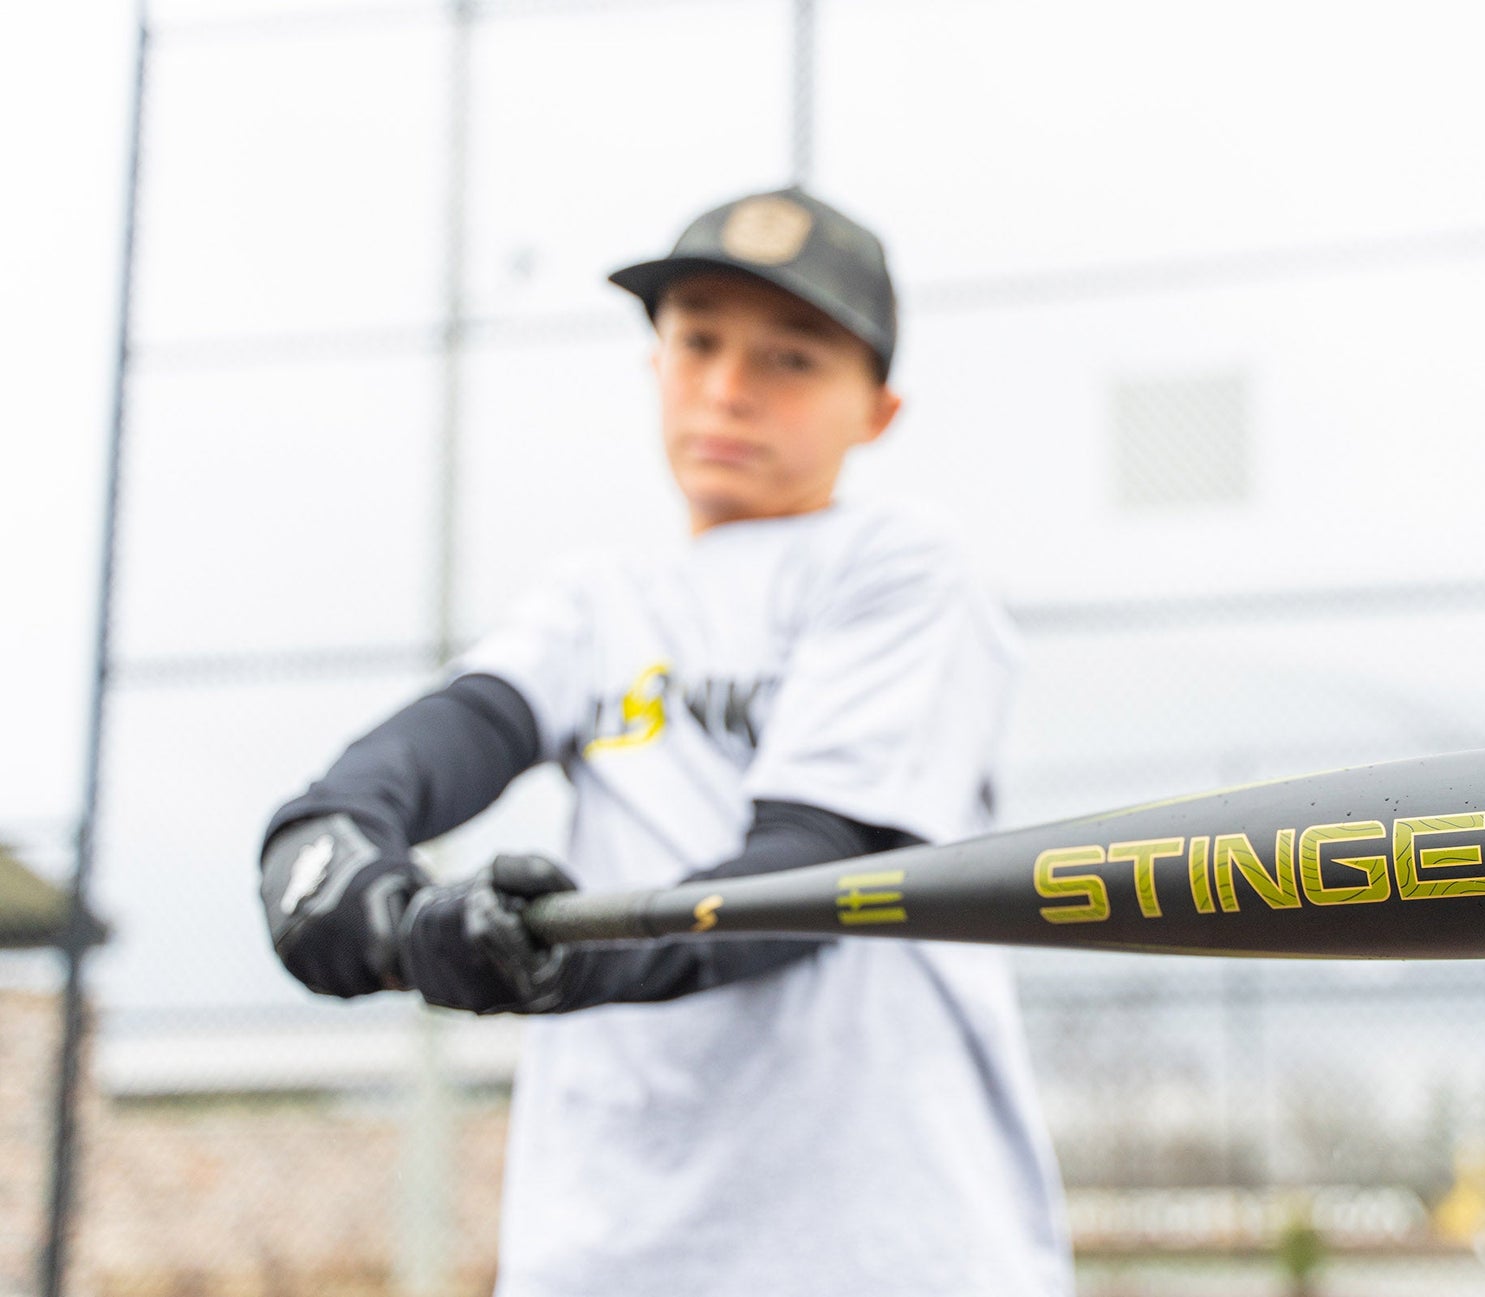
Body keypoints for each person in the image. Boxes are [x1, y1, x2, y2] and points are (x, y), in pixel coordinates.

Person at [256, 187, 1075, 1297]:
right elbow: (431, 749)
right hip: (606, 1246)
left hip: (873, 1238)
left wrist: (545, 954)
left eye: (792, 358)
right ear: (653, 362)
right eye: (697, 342)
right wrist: (348, 861)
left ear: (876, 410)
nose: (728, 388)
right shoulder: (595, 603)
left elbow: (805, 879)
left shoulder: (897, 565)